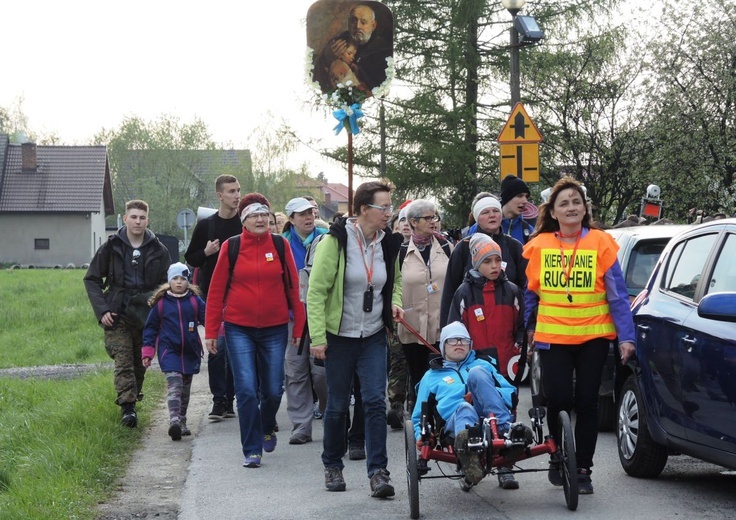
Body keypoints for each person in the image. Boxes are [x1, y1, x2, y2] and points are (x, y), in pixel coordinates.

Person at [523, 176, 635, 494]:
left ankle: (583, 468)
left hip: (593, 337)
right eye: (564, 203)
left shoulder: (601, 242)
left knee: (587, 403)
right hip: (553, 338)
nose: (572, 207)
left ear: (585, 209)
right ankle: (558, 458)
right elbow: (531, 294)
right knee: (558, 400)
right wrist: (527, 331)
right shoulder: (540, 246)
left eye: (577, 202)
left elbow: (617, 295)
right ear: (553, 212)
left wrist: (626, 337)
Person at [307, 180, 404, 497]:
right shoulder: (334, 242)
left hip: (373, 335)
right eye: (384, 207)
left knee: (375, 401)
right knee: (336, 405)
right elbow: (316, 293)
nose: (389, 213)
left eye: (391, 206)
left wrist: (395, 302)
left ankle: (378, 472)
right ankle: (332, 465)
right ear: (364, 209)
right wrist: (318, 338)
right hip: (339, 338)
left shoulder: (388, 243)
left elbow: (396, 280)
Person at [204, 193, 305, 468]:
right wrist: (212, 331)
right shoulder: (231, 247)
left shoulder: (280, 245)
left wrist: (300, 325)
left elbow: (295, 289)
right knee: (246, 390)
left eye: (264, 215)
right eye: (253, 215)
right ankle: (252, 449)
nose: (260, 220)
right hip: (239, 329)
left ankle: (267, 424)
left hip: (274, 328)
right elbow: (216, 291)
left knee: (273, 390)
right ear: (244, 221)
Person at [446, 234, 524, 489]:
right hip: (474, 363)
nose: (493, 266)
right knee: (474, 410)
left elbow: (521, 325)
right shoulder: (464, 293)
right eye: (487, 261)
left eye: (497, 260)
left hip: (505, 361)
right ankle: (471, 464)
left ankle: (505, 467)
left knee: (506, 406)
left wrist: (520, 347)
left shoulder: (512, 291)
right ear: (476, 263)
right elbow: (454, 328)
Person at [84, 199, 170, 427]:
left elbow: (167, 284)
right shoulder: (111, 247)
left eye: (142, 218)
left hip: (146, 313)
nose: (138, 221)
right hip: (117, 312)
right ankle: (128, 408)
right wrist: (102, 310)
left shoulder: (158, 250)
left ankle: (133, 398)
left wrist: (159, 308)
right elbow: (92, 279)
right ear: (125, 219)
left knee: (140, 361)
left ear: (148, 220)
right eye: (133, 217)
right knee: (123, 359)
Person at [411, 321, 517, 488]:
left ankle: (505, 432)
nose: (459, 343)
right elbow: (418, 414)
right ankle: (469, 460)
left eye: (463, 340)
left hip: (491, 420)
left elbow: (511, 393)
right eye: (453, 340)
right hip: (454, 424)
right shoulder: (431, 376)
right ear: (443, 345)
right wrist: (420, 435)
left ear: (470, 345)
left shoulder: (483, 365)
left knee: (477, 373)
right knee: (464, 408)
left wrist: (479, 395)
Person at [184, 174, 241, 422]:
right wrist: (205, 252)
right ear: (220, 195)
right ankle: (219, 400)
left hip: (240, 294)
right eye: (231, 191)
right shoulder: (207, 225)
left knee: (235, 348)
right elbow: (191, 257)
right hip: (213, 295)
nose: (236, 195)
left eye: (238, 190)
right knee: (217, 347)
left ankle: (231, 397)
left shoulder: (244, 223)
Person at [395, 199, 452, 427]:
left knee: (442, 374)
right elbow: (394, 287)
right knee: (419, 375)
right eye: (428, 218)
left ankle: (441, 420)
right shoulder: (399, 252)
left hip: (441, 324)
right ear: (413, 222)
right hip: (412, 325)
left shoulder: (447, 247)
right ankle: (421, 422)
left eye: (435, 217)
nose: (434, 222)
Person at [281, 197, 329, 445]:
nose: (308, 217)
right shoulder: (282, 244)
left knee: (321, 373)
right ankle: (301, 426)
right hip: (292, 318)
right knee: (295, 371)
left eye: (310, 212)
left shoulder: (328, 237)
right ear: (291, 220)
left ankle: (328, 409)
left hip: (323, 315)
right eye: (301, 214)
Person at [142, 263, 206, 441]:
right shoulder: (161, 304)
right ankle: (174, 421)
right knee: (175, 385)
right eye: (175, 279)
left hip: (190, 351)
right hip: (169, 352)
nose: (179, 282)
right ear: (169, 281)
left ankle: (182, 420)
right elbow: (150, 329)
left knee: (185, 390)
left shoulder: (194, 301)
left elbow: (207, 318)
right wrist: (147, 352)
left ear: (188, 282)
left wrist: (219, 331)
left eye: (183, 279)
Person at [441, 195, 527, 327]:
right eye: (485, 212)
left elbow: (526, 288)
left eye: (496, 211)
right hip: (472, 327)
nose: (492, 215)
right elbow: (450, 291)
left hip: (508, 326)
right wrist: (447, 331)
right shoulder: (464, 248)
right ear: (476, 218)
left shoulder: (514, 246)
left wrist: (526, 327)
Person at [317, 3, 392, 91]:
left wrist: (356, 69)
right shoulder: (338, 41)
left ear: (373, 25)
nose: (358, 26)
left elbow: (382, 83)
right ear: (348, 22)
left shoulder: (381, 47)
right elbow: (317, 77)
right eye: (354, 21)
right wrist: (327, 58)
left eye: (363, 22)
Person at [500, 175, 534, 244]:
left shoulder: (529, 231)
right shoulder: (484, 226)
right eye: (520, 196)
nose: (525, 201)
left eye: (526, 197)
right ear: (507, 198)